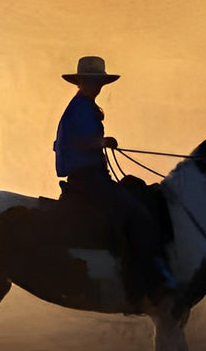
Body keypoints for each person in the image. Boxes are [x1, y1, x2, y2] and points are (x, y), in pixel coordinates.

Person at [53, 56, 177, 306]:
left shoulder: (84, 105)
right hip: (87, 177)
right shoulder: (80, 107)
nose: (96, 86)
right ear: (83, 83)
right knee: (136, 212)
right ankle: (138, 282)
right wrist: (103, 142)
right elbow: (79, 141)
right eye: (92, 81)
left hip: (91, 175)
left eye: (98, 82)